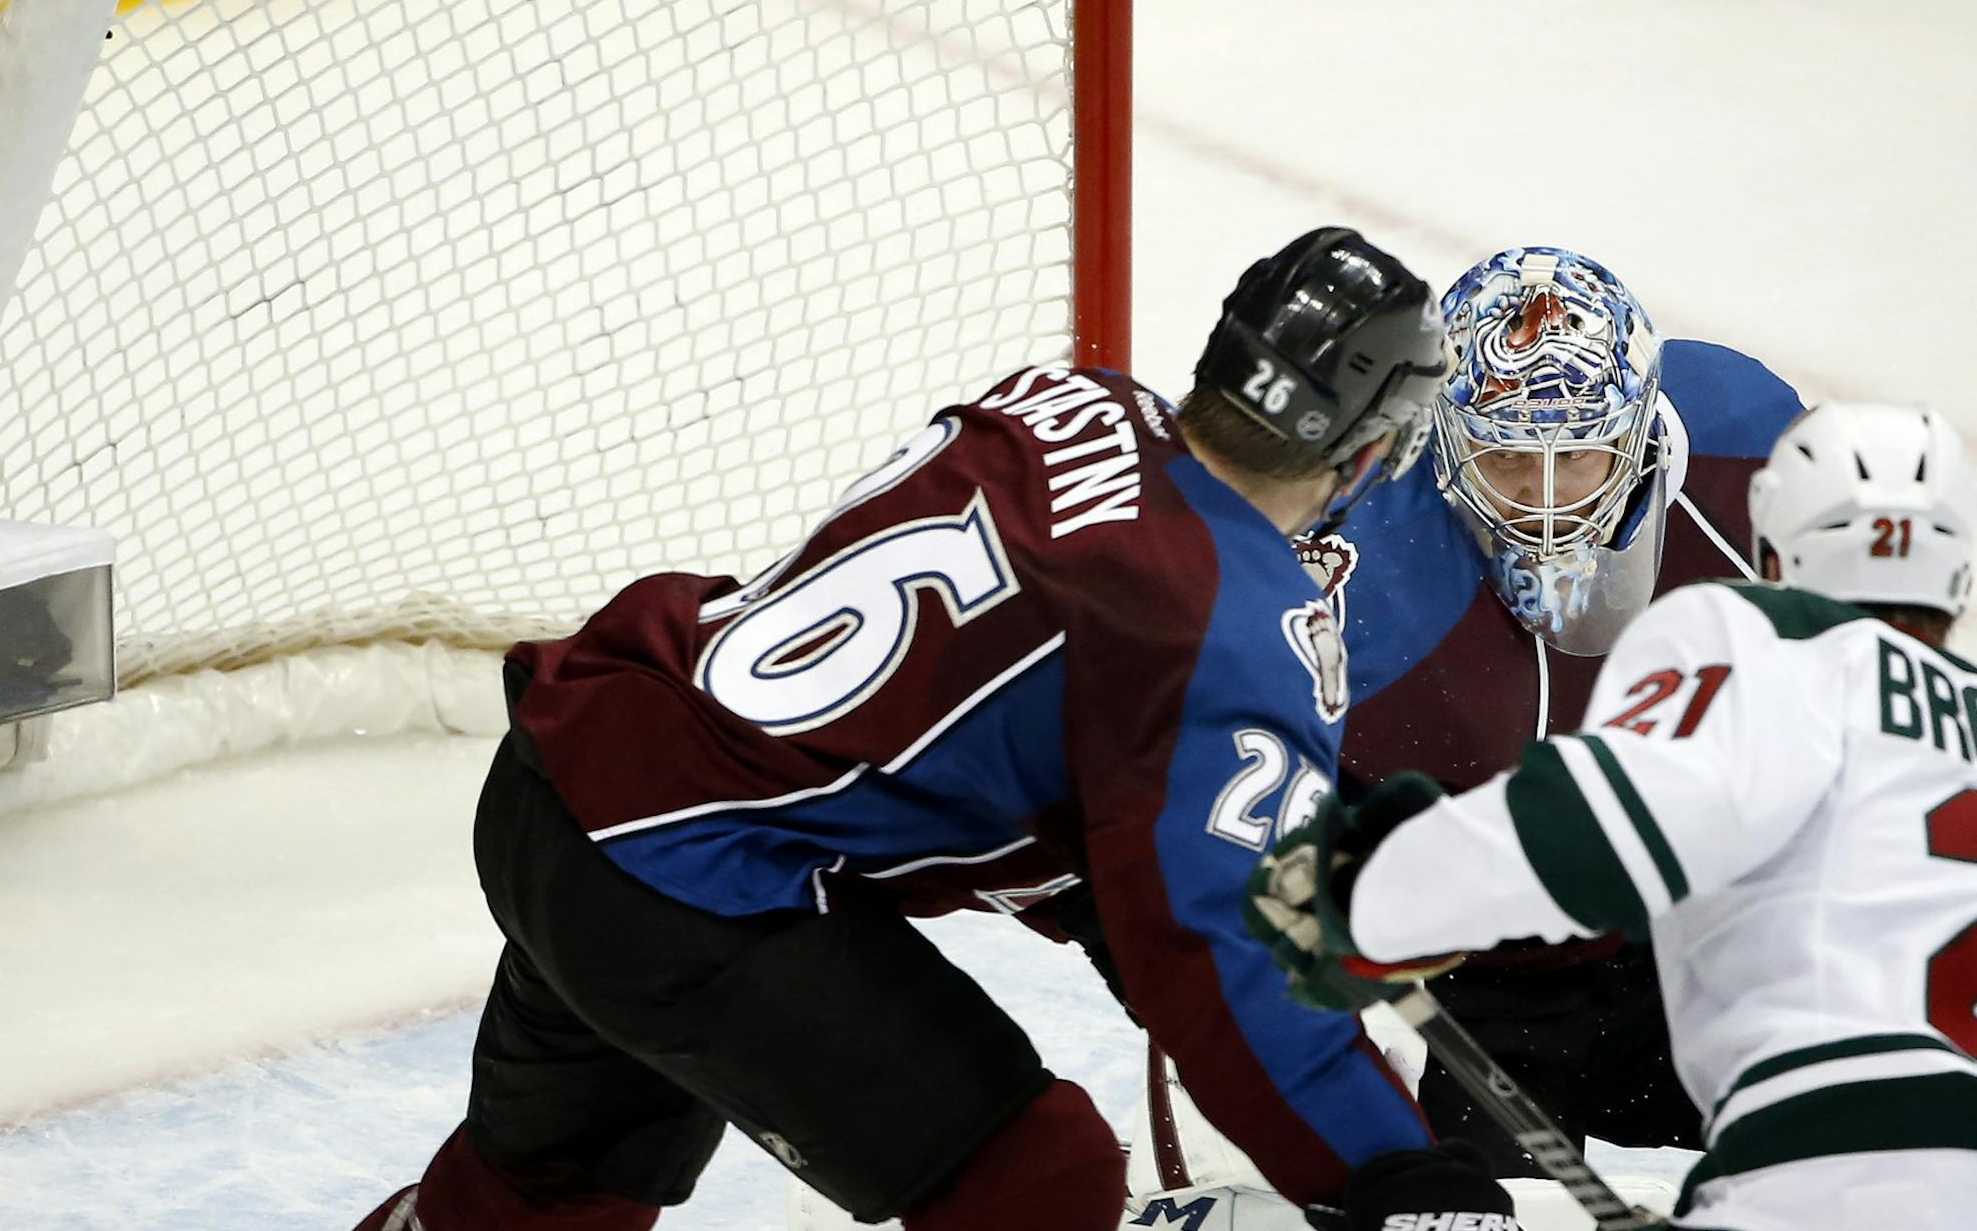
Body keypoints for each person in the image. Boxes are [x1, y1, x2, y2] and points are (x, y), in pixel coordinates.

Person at [352, 229, 1499, 1231]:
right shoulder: (1231, 617)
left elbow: (996, 711)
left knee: (538, 1205)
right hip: (689, 882)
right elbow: (1214, 956)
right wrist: (1382, 1166)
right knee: (1035, 1182)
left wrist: (1202, 860)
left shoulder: (1062, 397)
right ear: (1369, 449)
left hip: (567, 774)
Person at [1249, 401, 1977, 1229]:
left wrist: (1366, 897)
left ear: (1774, 546)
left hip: (1813, 1162)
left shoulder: (1761, 642)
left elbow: (1593, 831)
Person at [1235, 246, 1800, 1177]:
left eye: (1578, 455)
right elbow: (1249, 794)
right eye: (1506, 458)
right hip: (1496, 998)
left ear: (1644, 437)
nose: (1545, 503)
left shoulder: (1756, 457)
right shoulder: (1356, 568)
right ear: (1442, 439)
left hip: (1713, 944)